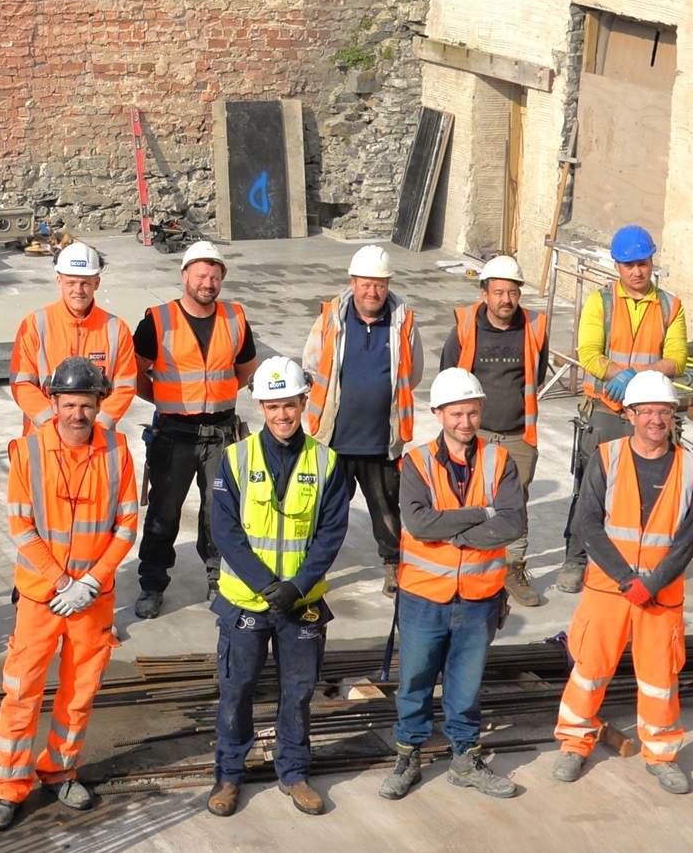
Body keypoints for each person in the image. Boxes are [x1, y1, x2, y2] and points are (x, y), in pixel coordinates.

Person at [0, 357, 140, 830]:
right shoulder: (28, 451)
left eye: (86, 405)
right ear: (53, 402)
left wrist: (91, 582)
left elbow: (128, 523)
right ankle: (10, 786)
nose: (77, 415)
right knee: (22, 689)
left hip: (93, 597)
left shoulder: (117, 450)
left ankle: (60, 770)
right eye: (68, 404)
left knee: (78, 692)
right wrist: (63, 582)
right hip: (41, 596)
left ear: (99, 405)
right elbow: (21, 527)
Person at [205, 358, 349, 817]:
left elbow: (331, 532)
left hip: (300, 604)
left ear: (304, 402)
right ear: (261, 407)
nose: (282, 415)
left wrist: (299, 586)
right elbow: (224, 531)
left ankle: (294, 772)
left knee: (299, 691)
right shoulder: (234, 458)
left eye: (289, 405)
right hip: (246, 602)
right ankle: (229, 776)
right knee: (237, 689)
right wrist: (269, 585)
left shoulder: (326, 462)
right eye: (272, 406)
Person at [553, 369, 693, 794]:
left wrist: (651, 584)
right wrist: (625, 579)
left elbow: (687, 539)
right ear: (631, 414)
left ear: (673, 416)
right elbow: (587, 524)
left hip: (660, 595)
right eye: (647, 412)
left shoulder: (691, 467)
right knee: (590, 669)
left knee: (660, 677)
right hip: (608, 589)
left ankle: (662, 754)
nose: (656, 420)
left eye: (664, 412)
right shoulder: (607, 456)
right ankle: (573, 742)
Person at [379, 367, 525, 802]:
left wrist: (455, 532)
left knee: (466, 685)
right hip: (424, 596)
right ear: (439, 414)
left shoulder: (501, 461)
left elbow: (513, 522)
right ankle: (408, 755)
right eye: (457, 413)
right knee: (416, 681)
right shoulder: (416, 462)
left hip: (479, 598)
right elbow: (420, 523)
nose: (466, 422)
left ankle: (466, 758)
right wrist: (481, 513)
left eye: (473, 412)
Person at [557, 226, 687, 592]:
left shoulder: (670, 306)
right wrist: (617, 374)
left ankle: (649, 561)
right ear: (616, 265)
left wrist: (637, 377)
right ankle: (576, 558)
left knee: (651, 490)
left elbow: (677, 358)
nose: (637, 272)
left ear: (651, 262)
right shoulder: (601, 302)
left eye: (643, 264)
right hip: (606, 411)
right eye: (629, 265)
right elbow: (589, 354)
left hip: (650, 416)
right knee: (589, 490)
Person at [131, 242, 256, 619]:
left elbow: (246, 371)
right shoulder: (158, 319)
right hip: (174, 433)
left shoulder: (235, 318)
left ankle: (219, 579)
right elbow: (136, 372)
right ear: (185, 275)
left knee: (220, 511)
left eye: (215, 276)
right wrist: (168, 402)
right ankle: (152, 584)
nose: (208, 282)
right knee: (164, 512)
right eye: (201, 275)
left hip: (221, 432)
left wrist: (215, 398)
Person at [299, 244, 417, 577]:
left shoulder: (402, 321)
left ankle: (392, 565)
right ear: (353, 283)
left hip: (381, 441)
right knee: (326, 509)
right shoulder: (331, 318)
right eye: (366, 283)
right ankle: (315, 568)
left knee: (387, 509)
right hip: (335, 438)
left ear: (389, 285)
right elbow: (311, 363)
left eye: (379, 284)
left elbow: (413, 372)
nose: (372, 291)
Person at [441, 254, 551, 606]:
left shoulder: (534, 326)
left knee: (514, 505)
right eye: (499, 292)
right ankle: (471, 567)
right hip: (475, 434)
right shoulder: (464, 326)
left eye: (513, 292)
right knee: (468, 500)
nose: (506, 299)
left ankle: (512, 570)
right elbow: (449, 379)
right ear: (484, 294)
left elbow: (539, 373)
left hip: (519, 435)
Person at [10, 241, 137, 439]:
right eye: (71, 283)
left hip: (97, 441)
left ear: (97, 283)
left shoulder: (116, 329)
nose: (78, 290)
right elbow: (22, 384)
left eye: (85, 283)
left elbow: (125, 387)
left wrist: (95, 426)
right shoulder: (36, 324)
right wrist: (54, 425)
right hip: (44, 439)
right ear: (59, 282)